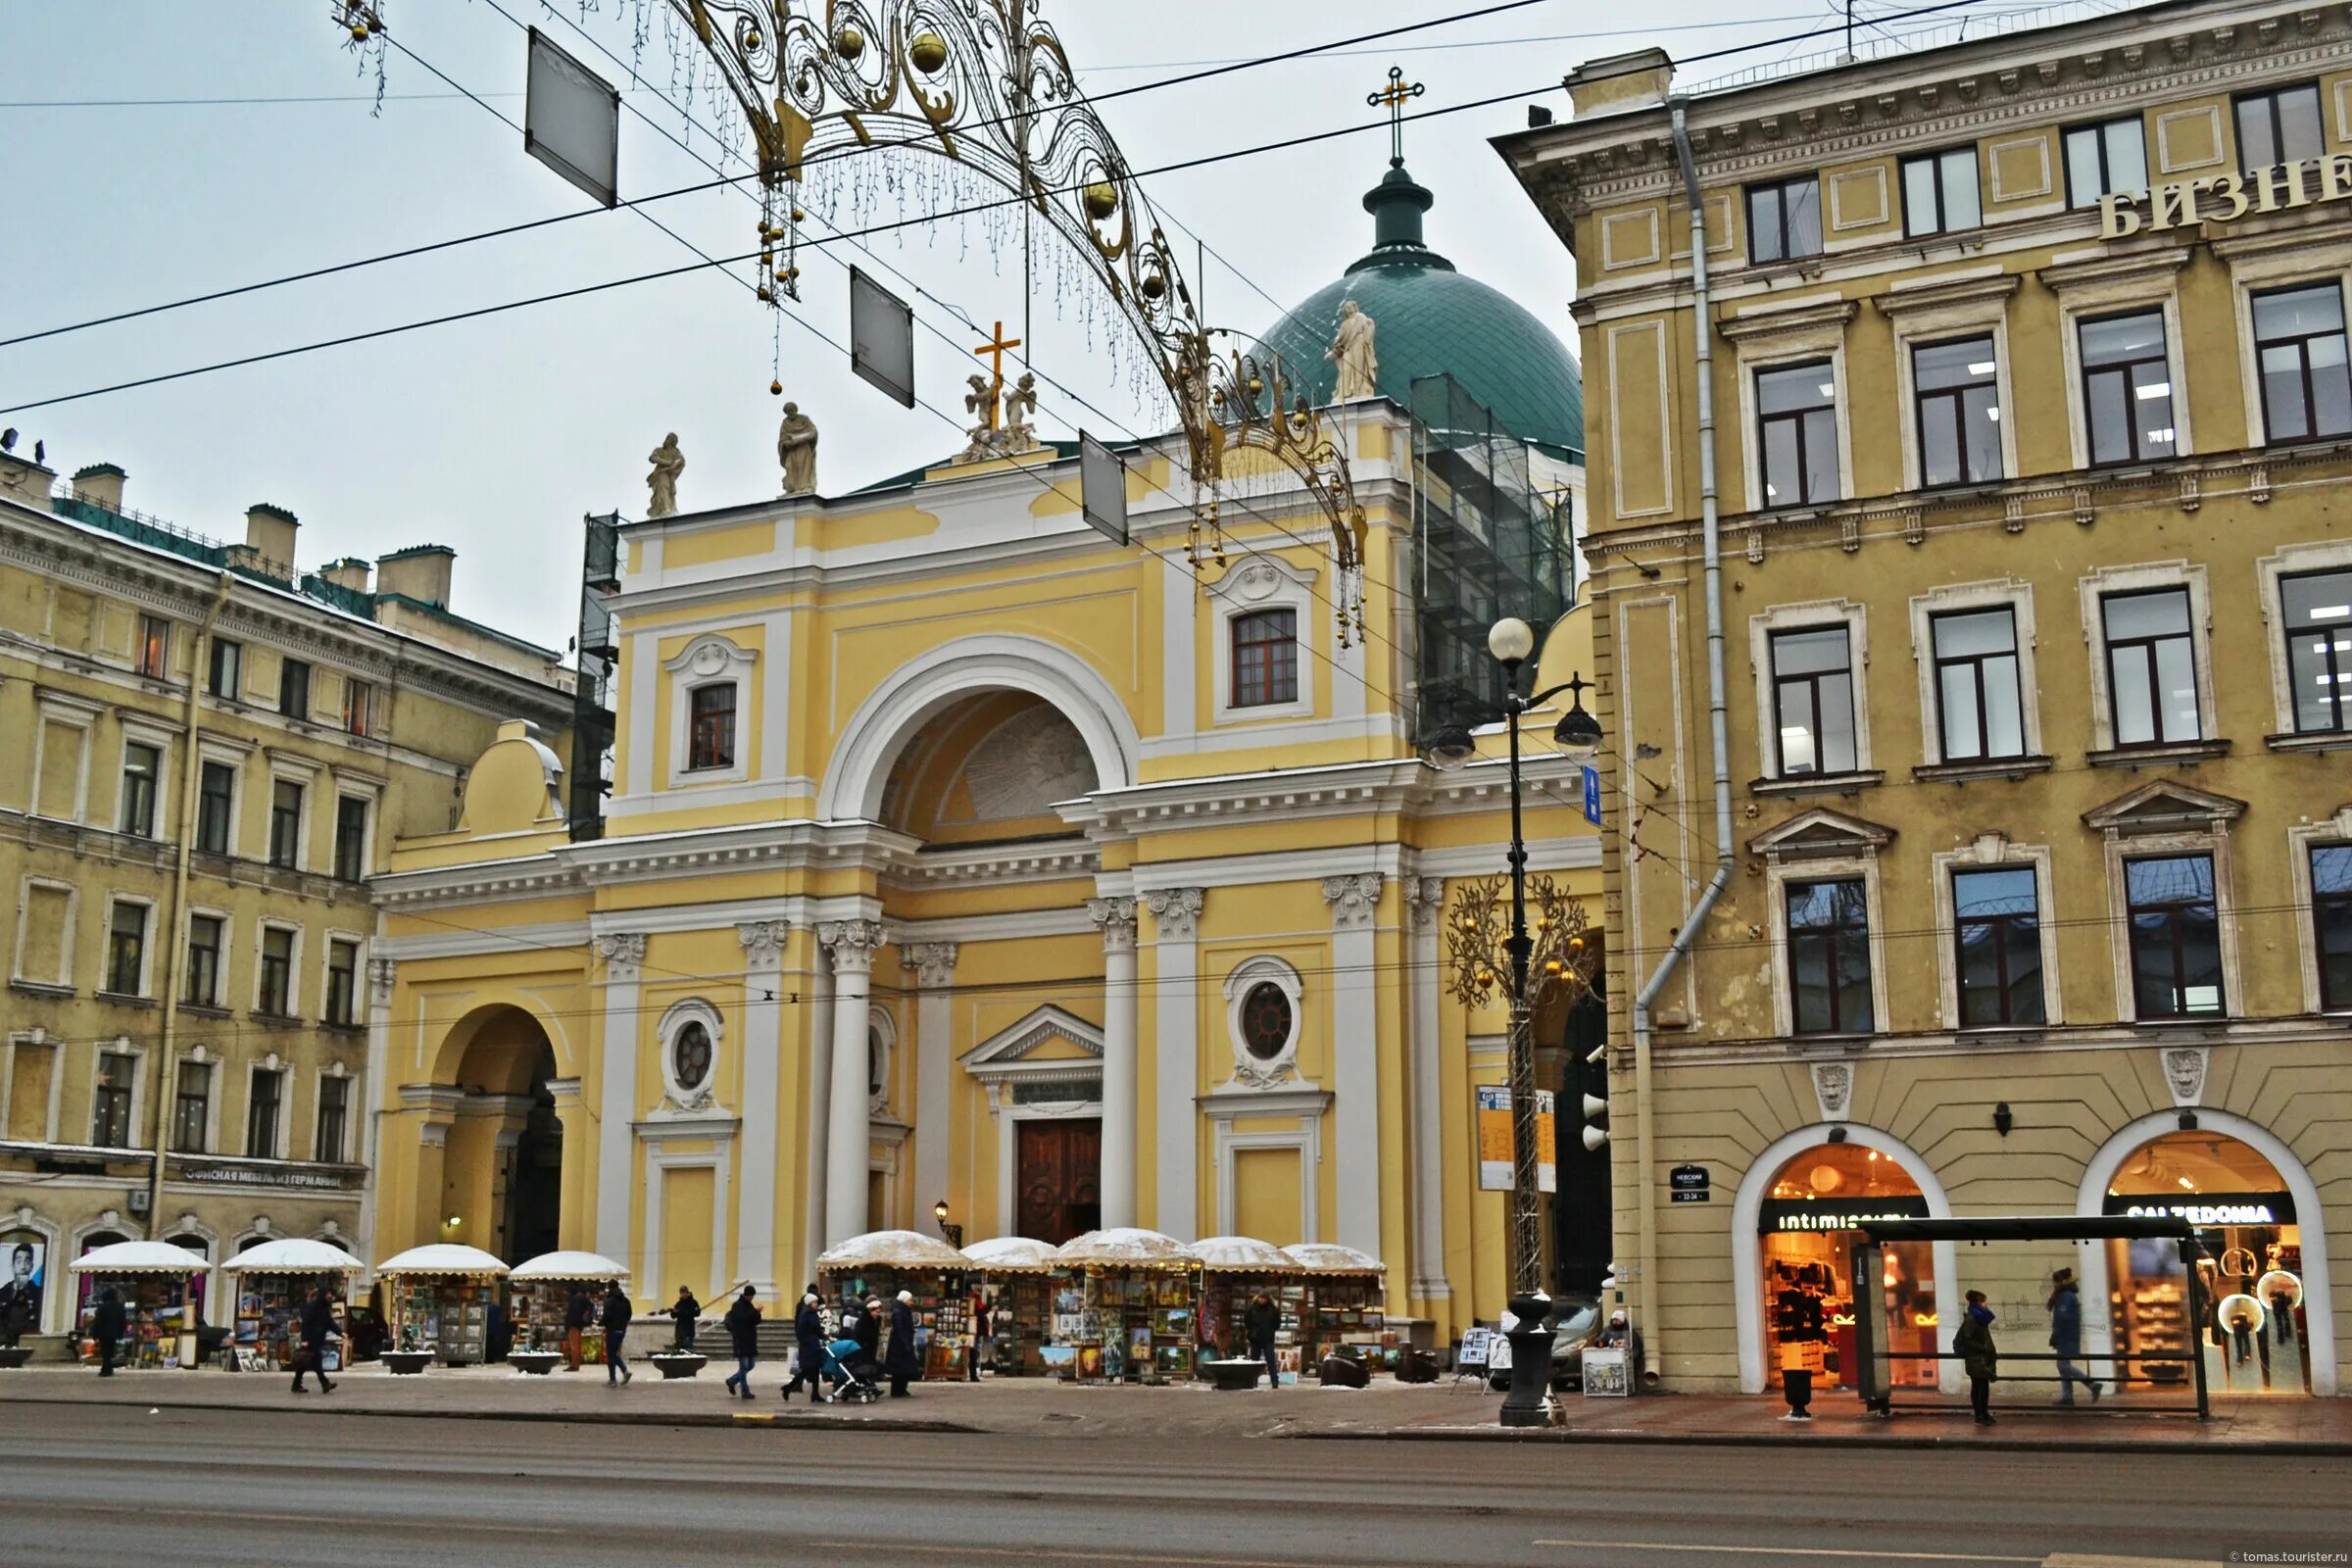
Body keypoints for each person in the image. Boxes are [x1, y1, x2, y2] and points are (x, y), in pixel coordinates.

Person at [2046, 1268, 2100, 1406]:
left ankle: (2091, 1384)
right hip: (2066, 1335)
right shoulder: (2067, 1295)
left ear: (2061, 1282)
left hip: (2065, 1336)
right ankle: (2067, 1397)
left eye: (2055, 1282)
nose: (2053, 1285)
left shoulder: (2065, 1296)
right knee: (2064, 1366)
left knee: (2063, 1365)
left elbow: (2062, 1318)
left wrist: (2056, 1334)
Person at [1955, 1289, 1999, 1426]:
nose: (1986, 1304)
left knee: (1983, 1387)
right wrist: (1983, 1349)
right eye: (1984, 1301)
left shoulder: (1980, 1317)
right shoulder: (1973, 1318)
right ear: (1979, 1303)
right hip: (1976, 1359)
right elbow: (1968, 1338)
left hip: (1981, 1359)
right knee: (1978, 1387)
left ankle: (1983, 1413)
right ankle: (1979, 1414)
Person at [780, 1292, 827, 1402]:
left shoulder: (813, 1314)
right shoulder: (805, 1315)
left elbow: (817, 1330)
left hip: (814, 1345)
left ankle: (815, 1394)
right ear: (809, 1303)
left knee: (815, 1370)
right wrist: (808, 1341)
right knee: (807, 1371)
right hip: (807, 1347)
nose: (816, 1304)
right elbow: (801, 1332)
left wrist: (824, 1336)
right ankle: (788, 1387)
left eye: (816, 1302)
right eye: (814, 1302)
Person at [292, 1287, 337, 1395]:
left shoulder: (323, 1308)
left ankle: (296, 1384)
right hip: (311, 1340)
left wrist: (341, 1333)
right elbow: (305, 1323)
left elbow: (330, 1323)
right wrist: (305, 1339)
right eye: (328, 1294)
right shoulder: (312, 1307)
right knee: (316, 1362)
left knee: (304, 1364)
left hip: (317, 1340)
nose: (330, 1296)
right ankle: (325, 1383)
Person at [722, 1285, 761, 1399]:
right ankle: (745, 1391)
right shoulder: (737, 1306)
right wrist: (754, 1312)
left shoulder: (749, 1306)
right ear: (747, 1295)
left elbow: (755, 1321)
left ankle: (732, 1381)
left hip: (750, 1340)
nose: (752, 1298)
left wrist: (757, 1313)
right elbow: (742, 1319)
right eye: (751, 1296)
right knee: (744, 1367)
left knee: (751, 1365)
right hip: (741, 1339)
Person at [0, 1242, 39, 1348]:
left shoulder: (38, 1294)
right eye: (18, 1261)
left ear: (32, 1266)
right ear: (13, 1266)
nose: (22, 1266)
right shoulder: (3, 1292)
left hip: (24, 1340)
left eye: (27, 1261)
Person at [884, 1289, 921, 1398]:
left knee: (904, 1368)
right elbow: (900, 1329)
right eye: (910, 1300)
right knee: (899, 1369)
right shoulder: (899, 1312)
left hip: (903, 1344)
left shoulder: (902, 1310)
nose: (911, 1302)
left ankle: (901, 1389)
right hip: (899, 1345)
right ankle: (897, 1390)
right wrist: (906, 1343)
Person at [1243, 1291, 1282, 1392]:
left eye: (1263, 1298)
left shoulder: (1273, 1310)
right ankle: (1253, 1381)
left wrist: (1269, 1330)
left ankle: (1274, 1381)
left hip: (1268, 1338)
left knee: (1270, 1360)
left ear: (1267, 1299)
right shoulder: (1251, 1309)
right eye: (1260, 1298)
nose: (1261, 1300)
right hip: (1255, 1338)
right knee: (1254, 1361)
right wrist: (1252, 1331)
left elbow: (1277, 1323)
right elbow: (1246, 1321)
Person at [600, 1280, 633, 1385]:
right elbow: (629, 1314)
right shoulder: (626, 1301)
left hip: (612, 1330)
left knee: (611, 1354)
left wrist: (601, 1323)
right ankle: (625, 1371)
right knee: (614, 1353)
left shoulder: (610, 1301)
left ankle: (613, 1379)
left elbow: (607, 1316)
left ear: (609, 1288)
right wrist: (623, 1324)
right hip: (622, 1330)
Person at [90, 1287, 126, 1376]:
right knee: (110, 1351)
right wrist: (121, 1333)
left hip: (103, 1333)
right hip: (114, 1333)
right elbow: (123, 1321)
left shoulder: (102, 1307)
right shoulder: (120, 1307)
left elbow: (98, 1321)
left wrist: (95, 1333)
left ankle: (106, 1370)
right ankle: (108, 1369)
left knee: (105, 1351)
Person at [564, 1284, 592, 1372]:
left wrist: (569, 1324)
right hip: (579, 1325)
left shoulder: (576, 1299)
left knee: (574, 1346)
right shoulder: (583, 1298)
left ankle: (574, 1365)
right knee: (577, 1345)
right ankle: (576, 1364)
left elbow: (573, 1314)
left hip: (574, 1325)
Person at [667, 1286, 702, 1352]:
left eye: (684, 1293)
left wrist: (685, 1311)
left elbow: (697, 1313)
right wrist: (673, 1312)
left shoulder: (693, 1302)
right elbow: (673, 1316)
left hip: (689, 1329)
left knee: (688, 1347)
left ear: (687, 1293)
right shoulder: (678, 1303)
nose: (683, 1294)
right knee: (679, 1348)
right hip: (679, 1329)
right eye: (681, 1293)